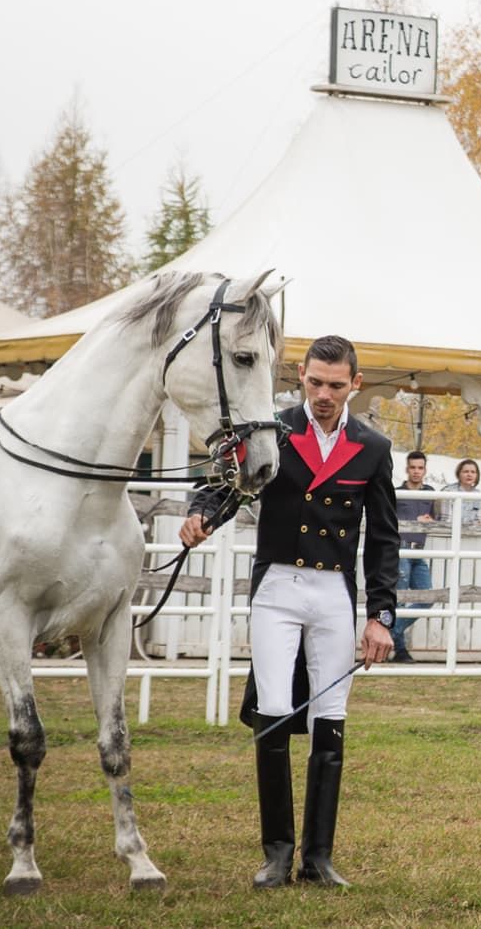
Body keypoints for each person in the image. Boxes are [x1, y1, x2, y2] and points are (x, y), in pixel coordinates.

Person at [181, 334, 398, 890]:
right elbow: (224, 486)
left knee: (331, 718)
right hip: (277, 587)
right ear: (300, 375)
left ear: (355, 383)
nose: (323, 394)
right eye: (315, 382)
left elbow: (384, 539)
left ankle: (318, 858)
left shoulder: (373, 447)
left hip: (334, 593)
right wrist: (202, 515)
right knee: (274, 712)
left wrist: (382, 615)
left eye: (335, 385)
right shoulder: (271, 430)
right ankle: (276, 853)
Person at [391, 450, 437, 664]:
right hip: (402, 548)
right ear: (407, 469)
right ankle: (400, 651)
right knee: (400, 599)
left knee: (427, 597)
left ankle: (391, 632)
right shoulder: (398, 493)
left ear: (425, 470)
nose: (416, 471)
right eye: (413, 467)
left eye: (420, 468)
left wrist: (430, 521)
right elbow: (390, 520)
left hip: (420, 549)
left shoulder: (430, 493)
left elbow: (437, 518)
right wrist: (413, 521)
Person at [439, 457, 481, 526]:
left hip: (472, 531)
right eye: (466, 471)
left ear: (477, 475)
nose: (469, 475)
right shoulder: (448, 491)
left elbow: (480, 520)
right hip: (451, 530)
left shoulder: (478, 494)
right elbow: (446, 520)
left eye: (473, 472)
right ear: (458, 474)